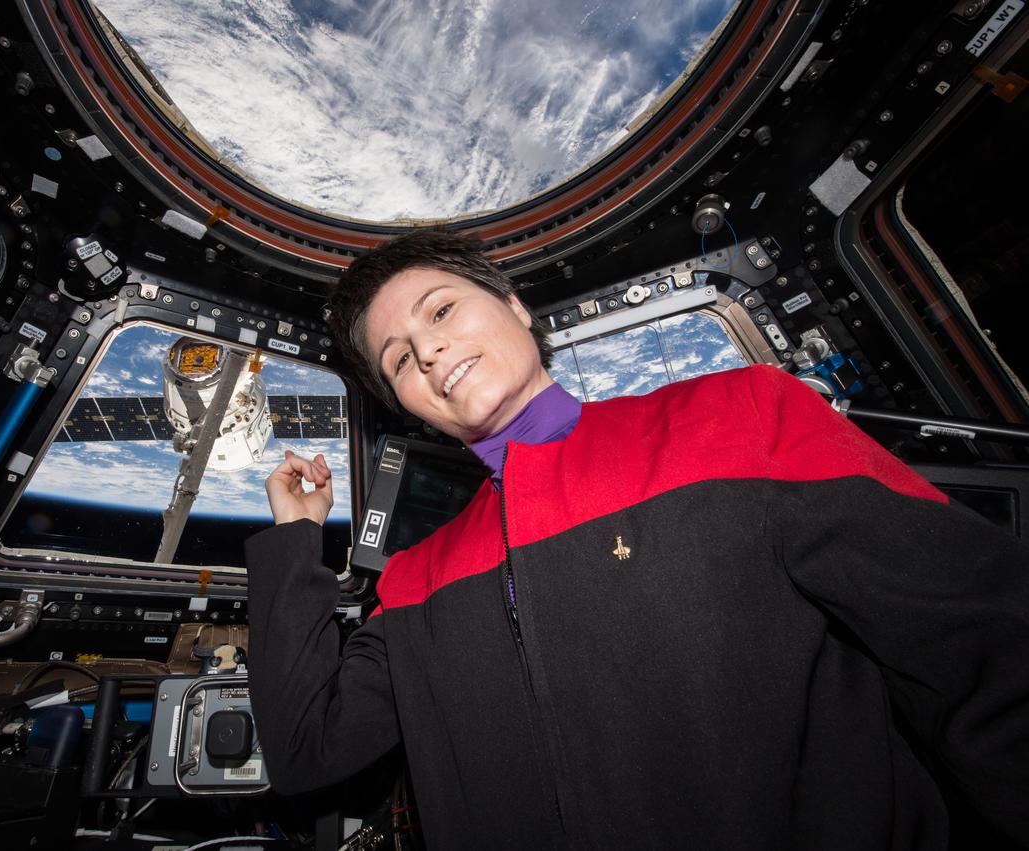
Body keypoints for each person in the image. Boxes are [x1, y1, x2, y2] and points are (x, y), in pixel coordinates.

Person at [244, 230, 1029, 850]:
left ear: (514, 306)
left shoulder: (741, 417)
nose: (426, 351)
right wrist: (296, 536)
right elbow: (309, 748)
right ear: (406, 401)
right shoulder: (416, 576)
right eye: (398, 359)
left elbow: (986, 650)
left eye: (440, 311)